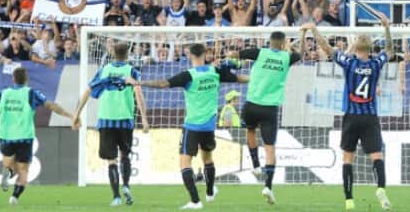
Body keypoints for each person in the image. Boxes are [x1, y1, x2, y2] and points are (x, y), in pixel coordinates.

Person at [126, 42, 247, 210]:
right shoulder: (215, 72)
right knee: (208, 159)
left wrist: (139, 83)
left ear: (190, 56)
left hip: (192, 126)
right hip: (209, 126)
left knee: (184, 163)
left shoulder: (188, 75)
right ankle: (210, 192)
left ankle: (195, 201)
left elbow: (163, 84)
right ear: (206, 54)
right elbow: (238, 79)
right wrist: (256, 81)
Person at [307, 20, 393, 212]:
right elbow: (389, 50)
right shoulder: (376, 63)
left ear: (355, 48)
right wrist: (386, 27)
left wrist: (314, 29)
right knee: (377, 156)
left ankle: (349, 201)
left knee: (348, 159)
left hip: (351, 117)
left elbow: (327, 48)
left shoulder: (349, 62)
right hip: (370, 116)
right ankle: (380, 188)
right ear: (370, 49)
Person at [0, 65, 72, 206]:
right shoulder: (31, 93)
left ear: (13, 79)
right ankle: (14, 197)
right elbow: (51, 105)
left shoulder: (4, 93)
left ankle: (8, 173)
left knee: (9, 166)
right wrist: (70, 115)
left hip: (5, 137)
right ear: (26, 79)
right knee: (23, 170)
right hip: (24, 136)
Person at [71, 41, 149, 207]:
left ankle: (116, 197)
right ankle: (126, 185)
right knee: (125, 155)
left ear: (113, 53)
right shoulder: (132, 71)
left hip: (106, 119)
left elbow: (88, 91)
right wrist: (144, 119)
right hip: (125, 119)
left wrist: (76, 114)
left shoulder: (104, 70)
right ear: (127, 55)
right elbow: (139, 94)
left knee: (111, 160)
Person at [236, 30, 301, 204]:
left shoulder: (259, 53)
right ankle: (268, 186)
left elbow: (236, 54)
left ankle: (256, 165)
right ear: (282, 43)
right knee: (270, 148)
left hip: (251, 104)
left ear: (269, 42)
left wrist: (232, 60)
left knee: (250, 131)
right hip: (269, 109)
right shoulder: (287, 58)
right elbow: (299, 54)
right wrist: (293, 42)